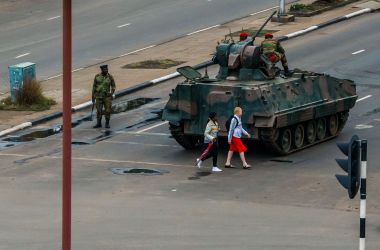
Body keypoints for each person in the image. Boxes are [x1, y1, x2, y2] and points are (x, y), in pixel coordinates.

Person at [92, 64, 116, 129]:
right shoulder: (97, 76)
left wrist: (112, 93)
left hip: (107, 97)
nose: (106, 70)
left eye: (107, 69)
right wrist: (93, 97)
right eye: (105, 69)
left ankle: (107, 123)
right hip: (98, 97)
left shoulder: (110, 77)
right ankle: (98, 123)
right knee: (99, 111)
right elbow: (94, 87)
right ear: (102, 70)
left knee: (108, 110)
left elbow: (113, 86)